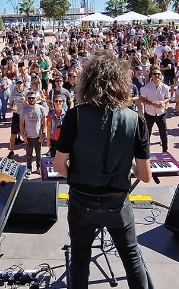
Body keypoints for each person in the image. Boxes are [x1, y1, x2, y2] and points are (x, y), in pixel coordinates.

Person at [53, 50, 152, 289]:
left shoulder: (74, 116)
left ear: (87, 82)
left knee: (80, 260)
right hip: (117, 202)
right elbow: (145, 176)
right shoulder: (135, 119)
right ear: (122, 83)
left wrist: (77, 174)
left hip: (81, 202)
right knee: (132, 260)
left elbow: (58, 166)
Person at [140, 65, 170, 153]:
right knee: (147, 133)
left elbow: (167, 98)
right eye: (154, 74)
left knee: (163, 133)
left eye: (158, 74)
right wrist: (152, 104)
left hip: (161, 113)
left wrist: (164, 103)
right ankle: (146, 151)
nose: (156, 76)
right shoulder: (147, 87)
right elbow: (142, 99)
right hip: (149, 113)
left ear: (161, 76)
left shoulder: (165, 87)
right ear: (151, 76)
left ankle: (165, 150)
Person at [19, 92, 47, 174]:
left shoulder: (41, 108)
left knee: (39, 154)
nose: (31, 99)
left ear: (36, 99)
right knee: (28, 154)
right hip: (28, 136)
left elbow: (44, 122)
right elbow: (21, 123)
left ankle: (39, 168)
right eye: (30, 98)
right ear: (27, 99)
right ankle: (29, 168)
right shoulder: (24, 109)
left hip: (38, 136)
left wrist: (43, 134)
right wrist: (22, 134)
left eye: (33, 98)